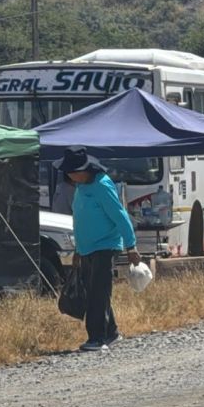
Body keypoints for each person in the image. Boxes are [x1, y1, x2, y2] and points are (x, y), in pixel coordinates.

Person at [54, 146, 141, 352]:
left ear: (84, 170)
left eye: (72, 171)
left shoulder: (102, 186)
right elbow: (80, 220)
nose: (69, 175)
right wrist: (77, 250)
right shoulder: (81, 187)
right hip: (86, 249)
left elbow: (120, 217)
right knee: (95, 291)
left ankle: (97, 338)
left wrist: (131, 246)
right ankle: (111, 332)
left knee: (97, 293)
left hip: (105, 246)